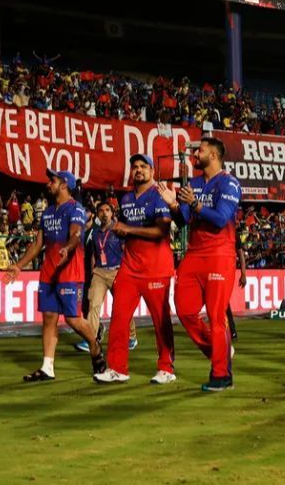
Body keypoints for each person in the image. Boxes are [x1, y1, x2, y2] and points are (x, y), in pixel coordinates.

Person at [3, 170, 106, 382]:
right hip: (49, 272)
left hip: (69, 270)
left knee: (73, 319)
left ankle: (95, 347)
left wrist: (67, 249)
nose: (49, 184)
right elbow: (38, 244)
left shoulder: (75, 208)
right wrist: (19, 266)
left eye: (53, 180)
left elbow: (76, 234)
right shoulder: (48, 212)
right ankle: (47, 367)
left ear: (64, 185)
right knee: (49, 317)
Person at [159, 138, 243, 392]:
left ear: (215, 155)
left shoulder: (229, 183)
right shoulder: (193, 183)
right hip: (195, 255)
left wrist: (195, 203)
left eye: (201, 150)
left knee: (217, 317)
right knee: (184, 311)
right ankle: (220, 353)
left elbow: (220, 219)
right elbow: (183, 220)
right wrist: (173, 205)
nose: (196, 154)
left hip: (220, 254)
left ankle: (221, 374)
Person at [95, 155, 175, 385]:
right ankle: (118, 368)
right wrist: (124, 232)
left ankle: (166, 368)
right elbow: (129, 230)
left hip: (156, 267)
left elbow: (161, 231)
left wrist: (127, 229)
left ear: (152, 170)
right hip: (130, 267)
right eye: (135, 167)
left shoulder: (159, 194)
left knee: (161, 320)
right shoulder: (127, 198)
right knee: (119, 317)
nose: (138, 170)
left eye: (143, 167)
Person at [76, 202, 138, 356]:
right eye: (101, 211)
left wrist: (127, 272)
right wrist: (92, 273)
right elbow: (93, 255)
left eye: (107, 210)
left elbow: (127, 251)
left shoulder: (119, 230)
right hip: (99, 273)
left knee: (122, 306)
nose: (104, 213)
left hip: (117, 271)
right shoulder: (95, 233)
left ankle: (131, 336)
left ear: (112, 213)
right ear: (97, 214)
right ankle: (91, 339)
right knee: (93, 305)